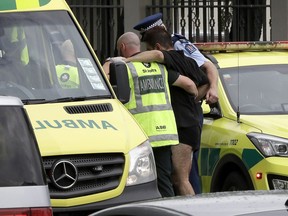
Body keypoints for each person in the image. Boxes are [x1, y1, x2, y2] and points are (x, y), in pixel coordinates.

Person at [103, 32, 199, 197]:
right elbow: (190, 85)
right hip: (164, 134)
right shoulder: (160, 67)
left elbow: (101, 81)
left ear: (122, 47)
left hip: (139, 135)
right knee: (164, 182)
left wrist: (110, 63)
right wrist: (193, 99)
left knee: (134, 184)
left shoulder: (123, 67)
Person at [133, 13, 219, 194]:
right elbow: (202, 82)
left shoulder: (172, 56)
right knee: (178, 177)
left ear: (157, 46)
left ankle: (193, 211)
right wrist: (194, 96)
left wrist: (125, 61)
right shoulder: (186, 60)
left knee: (181, 179)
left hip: (184, 124)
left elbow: (157, 55)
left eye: (147, 49)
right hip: (187, 122)